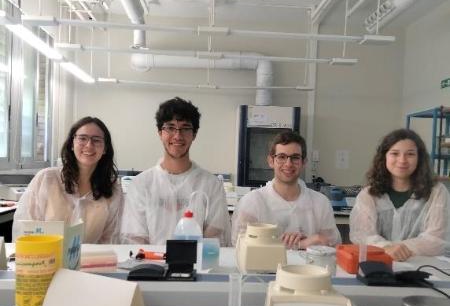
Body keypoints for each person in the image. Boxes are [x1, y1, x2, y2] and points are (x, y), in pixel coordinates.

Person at [121, 97, 231, 246]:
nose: (178, 135)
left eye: (185, 128)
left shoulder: (211, 185)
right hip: (151, 266)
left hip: (197, 267)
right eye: (170, 127)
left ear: (194, 134)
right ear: (160, 132)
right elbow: (135, 241)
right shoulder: (141, 185)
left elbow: (214, 239)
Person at [13, 116, 123, 243]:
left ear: (105, 149)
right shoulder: (46, 179)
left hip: (89, 260)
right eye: (82, 138)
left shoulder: (113, 191)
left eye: (96, 140)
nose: (89, 145)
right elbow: (24, 228)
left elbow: (110, 239)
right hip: (43, 258)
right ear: (72, 144)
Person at [350, 128, 450, 261]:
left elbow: (436, 239)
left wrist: (398, 248)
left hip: (425, 268)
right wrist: (386, 248)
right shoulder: (368, 195)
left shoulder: (437, 192)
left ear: (419, 158)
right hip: (379, 266)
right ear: (384, 157)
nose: (402, 160)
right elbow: (362, 235)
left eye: (410, 154)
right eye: (395, 153)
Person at [231, 131, 341, 249]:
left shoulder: (320, 203)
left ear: (304, 162)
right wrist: (299, 244)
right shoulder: (251, 202)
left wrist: (318, 241)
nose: (288, 164)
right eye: (282, 157)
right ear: (271, 161)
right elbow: (240, 246)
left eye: (295, 158)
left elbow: (332, 245)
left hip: (309, 267)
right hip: (264, 267)